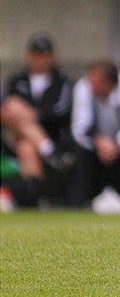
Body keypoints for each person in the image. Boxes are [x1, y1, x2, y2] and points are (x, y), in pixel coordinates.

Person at [0, 33, 73, 208]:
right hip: (13, 135)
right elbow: (4, 109)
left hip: (49, 133)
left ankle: (34, 198)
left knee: (27, 147)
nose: (39, 59)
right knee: (13, 104)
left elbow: (62, 110)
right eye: (36, 54)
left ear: (52, 56)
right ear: (28, 56)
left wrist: (35, 115)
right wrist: (19, 115)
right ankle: (50, 152)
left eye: (44, 55)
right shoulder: (15, 81)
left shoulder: (62, 82)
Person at [69, 61, 120, 209]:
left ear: (107, 82)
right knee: (78, 153)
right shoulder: (83, 87)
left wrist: (115, 144)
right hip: (94, 147)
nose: (90, 84)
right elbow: (79, 128)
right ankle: (77, 204)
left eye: (95, 81)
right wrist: (98, 142)